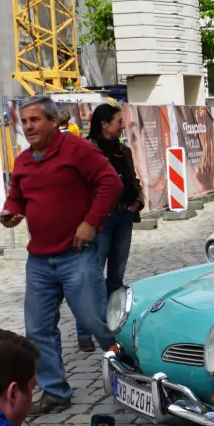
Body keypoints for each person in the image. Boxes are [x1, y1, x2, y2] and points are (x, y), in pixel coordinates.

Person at [0, 97, 122, 414]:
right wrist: (11, 212)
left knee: (95, 321)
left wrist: (91, 223)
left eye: (35, 120)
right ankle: (55, 391)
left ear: (54, 121)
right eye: (24, 121)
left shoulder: (77, 149)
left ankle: (131, 372)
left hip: (76, 254)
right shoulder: (24, 160)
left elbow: (111, 182)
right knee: (37, 328)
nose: (28, 127)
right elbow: (17, 197)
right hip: (39, 260)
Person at [75, 104, 143, 353]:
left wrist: (138, 200)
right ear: (103, 123)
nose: (121, 124)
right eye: (117, 120)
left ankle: (112, 326)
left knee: (115, 277)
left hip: (123, 216)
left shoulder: (122, 150)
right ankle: (85, 330)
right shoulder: (87, 150)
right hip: (100, 220)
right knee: (91, 277)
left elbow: (132, 179)